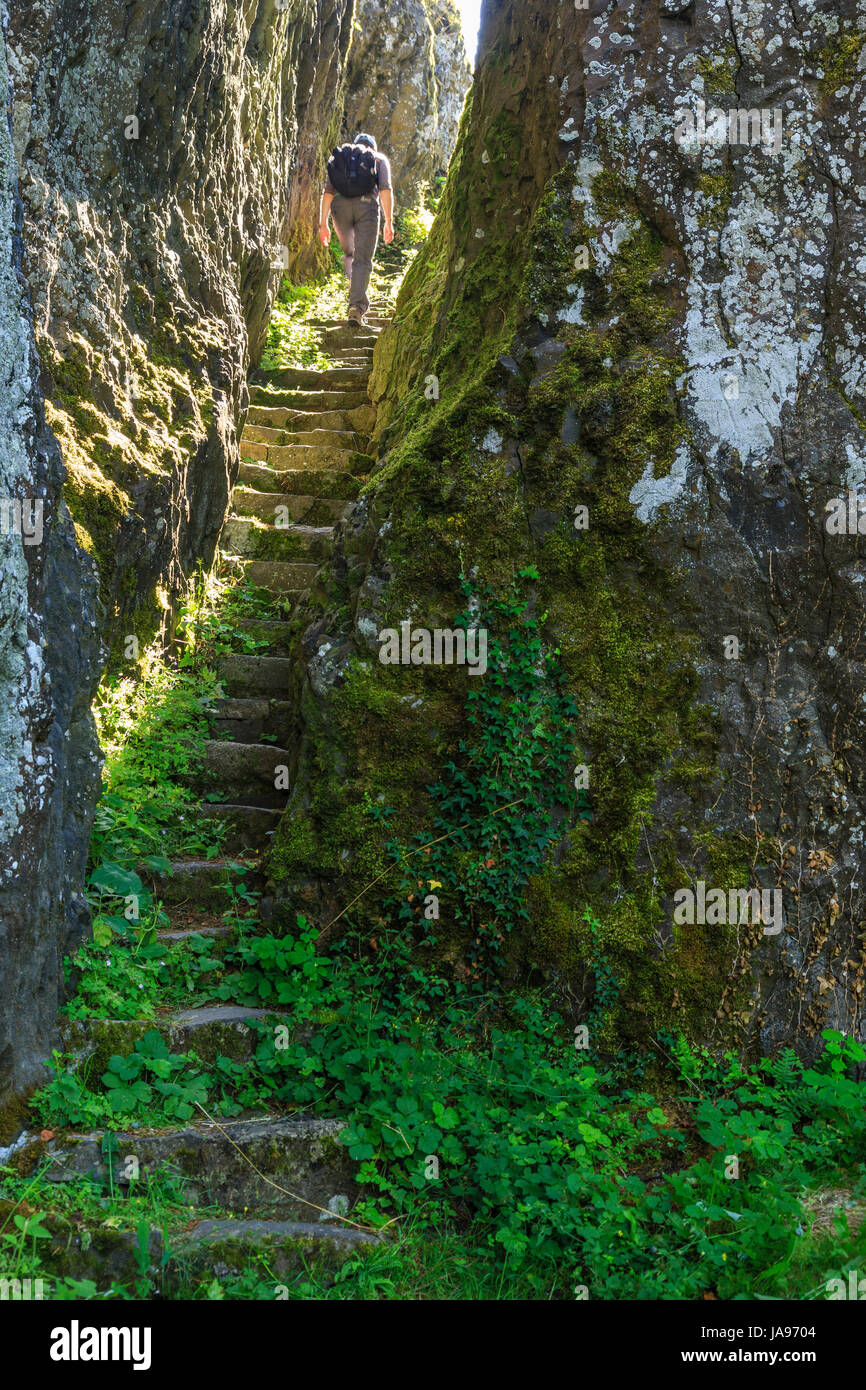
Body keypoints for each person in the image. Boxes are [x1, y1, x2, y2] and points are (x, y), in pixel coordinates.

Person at [318, 133, 394, 326]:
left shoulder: (343, 158)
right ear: (373, 148)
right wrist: (389, 221)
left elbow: (328, 192)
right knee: (362, 259)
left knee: (351, 255)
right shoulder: (378, 159)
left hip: (340, 208)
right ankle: (356, 308)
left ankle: (355, 294)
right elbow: (385, 188)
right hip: (366, 207)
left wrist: (323, 224)